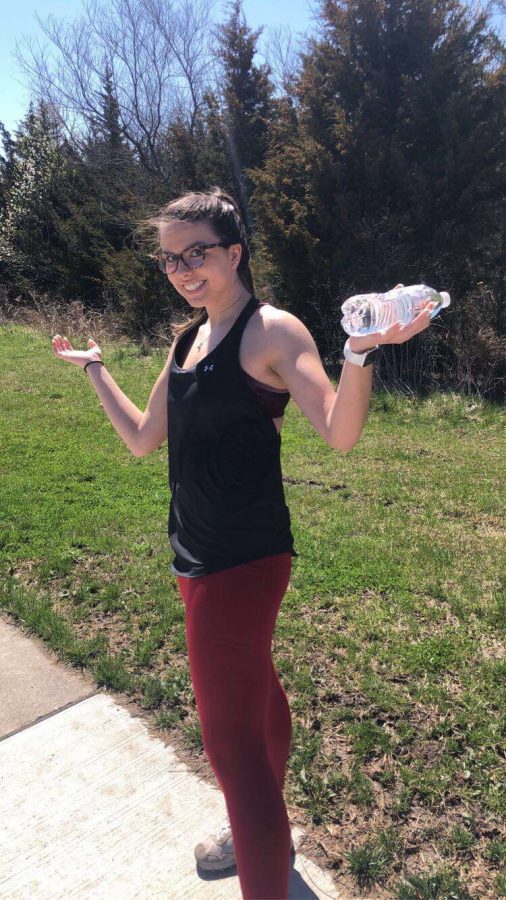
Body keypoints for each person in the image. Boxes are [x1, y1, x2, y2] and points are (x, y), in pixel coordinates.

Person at [51, 187, 437, 899]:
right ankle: (259, 827)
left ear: (235, 252)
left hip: (245, 558)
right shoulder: (186, 339)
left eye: (197, 253)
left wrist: (360, 351)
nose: (183, 268)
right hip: (194, 552)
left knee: (233, 754)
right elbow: (143, 440)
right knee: (255, 694)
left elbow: (339, 432)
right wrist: (98, 369)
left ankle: (255, 831)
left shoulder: (273, 331)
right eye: (170, 258)